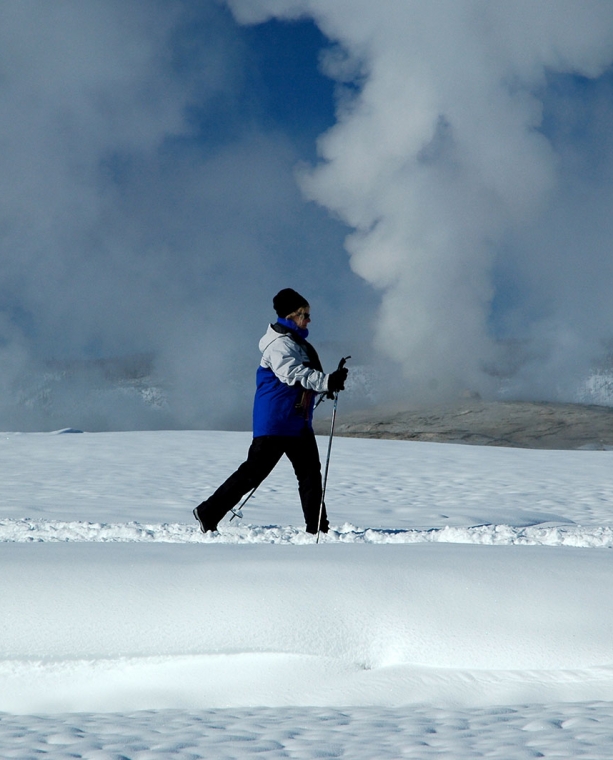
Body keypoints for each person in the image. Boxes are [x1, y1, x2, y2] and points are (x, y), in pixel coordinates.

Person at [193, 288, 348, 534]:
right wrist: (327, 381)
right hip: (275, 422)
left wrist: (327, 385)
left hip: (296, 421)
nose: (309, 319)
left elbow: (304, 378)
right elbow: (293, 375)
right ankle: (207, 512)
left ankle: (318, 528)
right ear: (291, 315)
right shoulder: (280, 344)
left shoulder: (295, 342)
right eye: (304, 315)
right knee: (252, 474)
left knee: (310, 475)